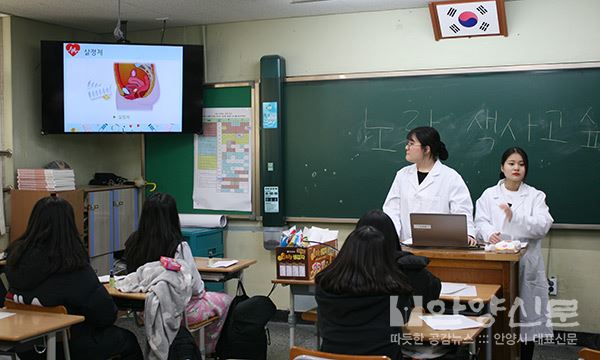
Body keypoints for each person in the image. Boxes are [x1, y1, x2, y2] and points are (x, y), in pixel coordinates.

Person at [5, 196, 143, 360]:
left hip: (25, 347)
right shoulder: (72, 266)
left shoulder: (15, 261)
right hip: (70, 347)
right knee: (128, 340)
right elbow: (105, 316)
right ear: (69, 226)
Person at [124, 192, 231, 353]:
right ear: (173, 217)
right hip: (175, 313)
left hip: (144, 312)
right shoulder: (178, 246)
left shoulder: (132, 242)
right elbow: (195, 288)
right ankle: (205, 350)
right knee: (225, 301)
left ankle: (187, 348)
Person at [475, 147, 553, 360]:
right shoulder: (489, 195)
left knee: (526, 317)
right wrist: (489, 232)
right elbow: (480, 221)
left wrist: (515, 217)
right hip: (496, 264)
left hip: (526, 264)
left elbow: (543, 226)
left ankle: (526, 356)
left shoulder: (535, 196)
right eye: (511, 163)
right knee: (498, 315)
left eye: (521, 164)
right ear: (502, 167)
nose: (516, 167)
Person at [315, 226, 413, 359]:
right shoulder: (396, 290)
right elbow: (404, 321)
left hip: (332, 357)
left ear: (345, 253)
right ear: (384, 257)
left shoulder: (324, 286)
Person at [383, 126, 476, 246]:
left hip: (441, 245)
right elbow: (392, 209)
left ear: (426, 149)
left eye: (411, 144)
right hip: (404, 245)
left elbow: (462, 210)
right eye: (407, 143)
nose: (406, 147)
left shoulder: (450, 177)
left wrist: (467, 234)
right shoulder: (402, 175)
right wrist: (394, 237)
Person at [357, 209, 441, 308]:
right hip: (400, 321)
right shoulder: (411, 269)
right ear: (392, 235)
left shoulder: (343, 270)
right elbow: (431, 297)